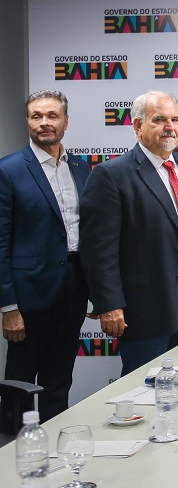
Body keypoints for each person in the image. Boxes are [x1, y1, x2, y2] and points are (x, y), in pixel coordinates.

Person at [80, 90, 178, 375]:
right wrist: (109, 304)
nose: (170, 127)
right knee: (145, 386)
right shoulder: (112, 174)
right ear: (137, 126)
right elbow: (99, 250)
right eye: (159, 120)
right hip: (147, 306)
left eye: (175, 120)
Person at [0, 90, 90, 421]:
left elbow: (88, 234)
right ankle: (12, 447)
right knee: (19, 382)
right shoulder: (8, 170)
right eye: (36, 116)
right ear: (27, 121)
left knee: (59, 379)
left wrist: (97, 290)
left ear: (65, 122)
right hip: (28, 298)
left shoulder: (81, 168)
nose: (44, 122)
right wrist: (8, 308)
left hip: (73, 291)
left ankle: (53, 443)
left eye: (52, 116)